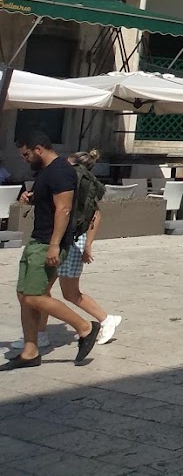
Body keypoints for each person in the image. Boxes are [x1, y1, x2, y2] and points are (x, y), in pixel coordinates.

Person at [4, 134, 102, 369]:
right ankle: (30, 351)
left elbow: (64, 209)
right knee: (23, 296)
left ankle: (85, 328)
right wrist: (32, 198)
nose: (25, 160)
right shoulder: (46, 171)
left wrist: (55, 245)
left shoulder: (60, 171)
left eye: (26, 154)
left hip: (49, 243)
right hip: (38, 241)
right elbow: (50, 203)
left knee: (34, 296)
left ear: (38, 149)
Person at [11, 150, 121, 356]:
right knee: (43, 291)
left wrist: (88, 245)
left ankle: (105, 320)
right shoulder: (67, 181)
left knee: (69, 293)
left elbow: (95, 216)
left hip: (71, 243)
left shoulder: (75, 184)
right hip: (66, 241)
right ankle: (40, 334)